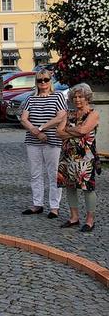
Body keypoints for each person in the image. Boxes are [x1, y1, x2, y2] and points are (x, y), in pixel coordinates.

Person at [18, 68, 66, 218]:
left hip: (52, 141)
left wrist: (41, 128)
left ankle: (54, 207)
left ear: (50, 81)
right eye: (40, 80)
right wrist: (36, 132)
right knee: (35, 174)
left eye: (46, 79)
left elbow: (60, 117)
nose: (43, 82)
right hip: (33, 141)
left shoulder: (58, 96)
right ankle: (37, 204)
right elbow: (24, 119)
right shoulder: (31, 98)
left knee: (53, 174)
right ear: (36, 82)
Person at [57, 83, 100, 233]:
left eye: (80, 96)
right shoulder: (68, 114)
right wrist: (76, 131)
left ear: (87, 97)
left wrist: (68, 130)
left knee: (88, 188)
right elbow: (58, 133)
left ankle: (90, 220)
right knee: (70, 186)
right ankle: (74, 217)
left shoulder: (93, 114)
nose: (77, 99)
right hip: (67, 156)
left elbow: (84, 130)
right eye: (74, 97)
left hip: (86, 157)